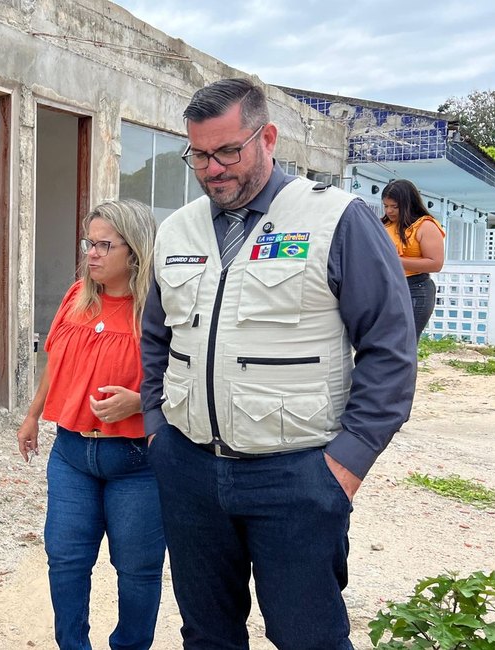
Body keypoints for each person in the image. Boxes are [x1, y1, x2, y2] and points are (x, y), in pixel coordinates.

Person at [140, 78, 416, 649]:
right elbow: (155, 338)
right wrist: (156, 431)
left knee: (307, 636)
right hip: (190, 471)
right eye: (199, 155)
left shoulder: (337, 220)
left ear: (267, 137)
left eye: (227, 151)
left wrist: (345, 465)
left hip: (296, 478)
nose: (213, 169)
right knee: (207, 635)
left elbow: (390, 349)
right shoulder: (177, 229)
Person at [16, 200, 165, 650]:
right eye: (89, 243)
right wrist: (31, 415)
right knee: (65, 560)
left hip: (137, 460)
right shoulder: (77, 295)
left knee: (137, 570)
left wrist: (139, 402)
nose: (92, 254)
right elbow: (54, 363)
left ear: (135, 252)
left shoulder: (158, 309)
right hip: (72, 455)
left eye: (104, 245)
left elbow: (191, 377)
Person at [381, 179, 446, 341]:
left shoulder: (425, 226)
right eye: (386, 206)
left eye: (394, 206)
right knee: (386, 342)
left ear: (408, 203)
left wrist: (396, 260)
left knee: (404, 344)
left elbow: (435, 263)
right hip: (388, 287)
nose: (389, 211)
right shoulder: (385, 225)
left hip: (415, 289)